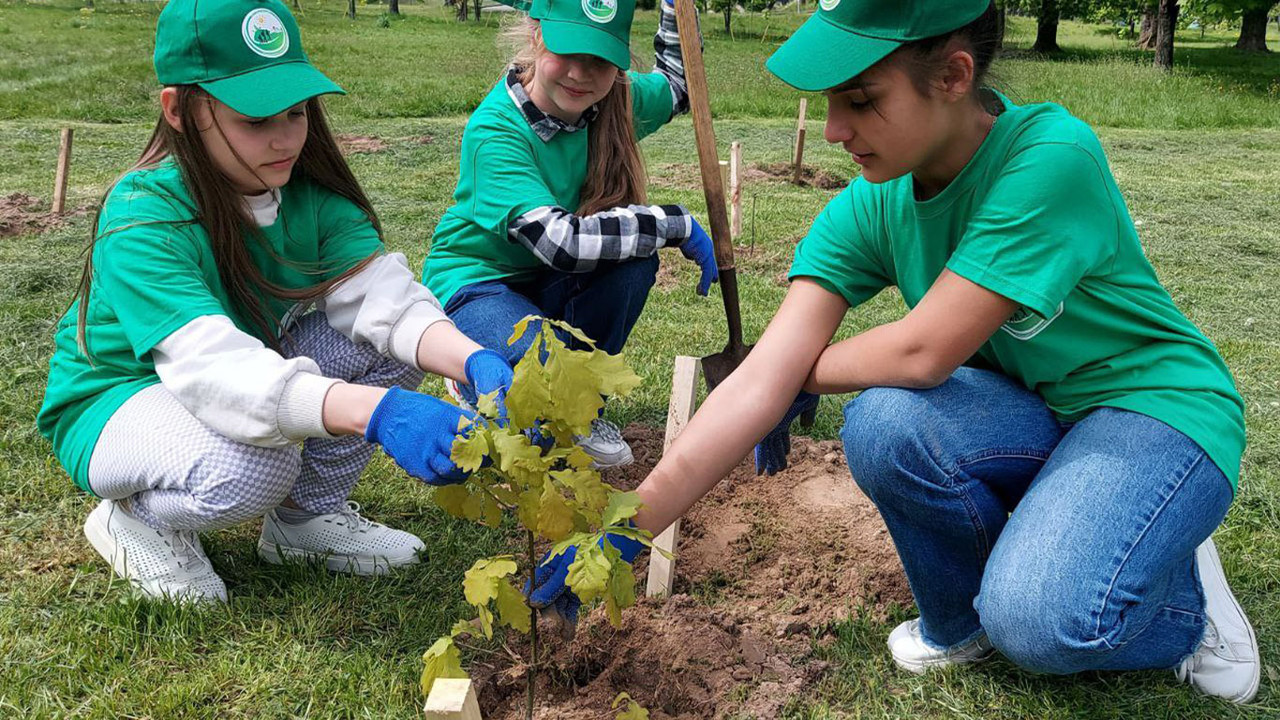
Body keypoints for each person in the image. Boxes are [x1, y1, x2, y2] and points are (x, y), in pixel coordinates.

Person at [528, 0, 1258, 703]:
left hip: (1153, 410)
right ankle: (965, 620)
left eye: (863, 99)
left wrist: (791, 374)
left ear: (953, 77)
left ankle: (1184, 600)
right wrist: (623, 529)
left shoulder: (1049, 157)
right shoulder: (874, 204)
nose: (837, 128)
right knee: (883, 423)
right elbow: (753, 386)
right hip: (1041, 409)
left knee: (1041, 623)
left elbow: (922, 353)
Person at [37, 0, 507, 604]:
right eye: (255, 120)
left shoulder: (306, 197)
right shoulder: (142, 216)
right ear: (179, 110)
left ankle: (303, 524)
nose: (285, 137)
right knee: (258, 466)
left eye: (296, 111)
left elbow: (388, 302)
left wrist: (472, 361)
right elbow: (214, 367)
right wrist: (377, 413)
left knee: (393, 345)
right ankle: (136, 518)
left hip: (233, 369)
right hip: (118, 399)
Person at [422, 0, 717, 468]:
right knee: (535, 372)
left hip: (546, 278)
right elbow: (561, 243)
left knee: (634, 263)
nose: (580, 74)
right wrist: (670, 223)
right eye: (568, 51)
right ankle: (469, 373)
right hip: (478, 283)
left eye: (600, 59)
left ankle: (580, 410)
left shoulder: (613, 102)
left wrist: (673, 4)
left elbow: (681, 85)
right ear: (536, 35)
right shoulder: (495, 130)